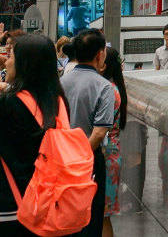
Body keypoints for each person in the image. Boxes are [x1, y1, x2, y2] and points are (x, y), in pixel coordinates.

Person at [0, 33, 71, 235]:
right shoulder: (58, 100)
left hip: (10, 205)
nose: (6, 62)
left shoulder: (8, 104)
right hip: (49, 202)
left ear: (24, 64)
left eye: (11, 57)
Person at [59, 29, 114, 237]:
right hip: (88, 160)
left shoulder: (61, 82)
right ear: (99, 54)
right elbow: (99, 133)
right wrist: (80, 158)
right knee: (90, 219)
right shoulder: (104, 87)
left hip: (61, 158)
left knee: (66, 218)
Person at [99, 47, 128, 235]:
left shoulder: (108, 90)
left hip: (106, 157)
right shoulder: (115, 87)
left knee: (102, 216)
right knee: (104, 215)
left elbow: (101, 130)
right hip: (112, 154)